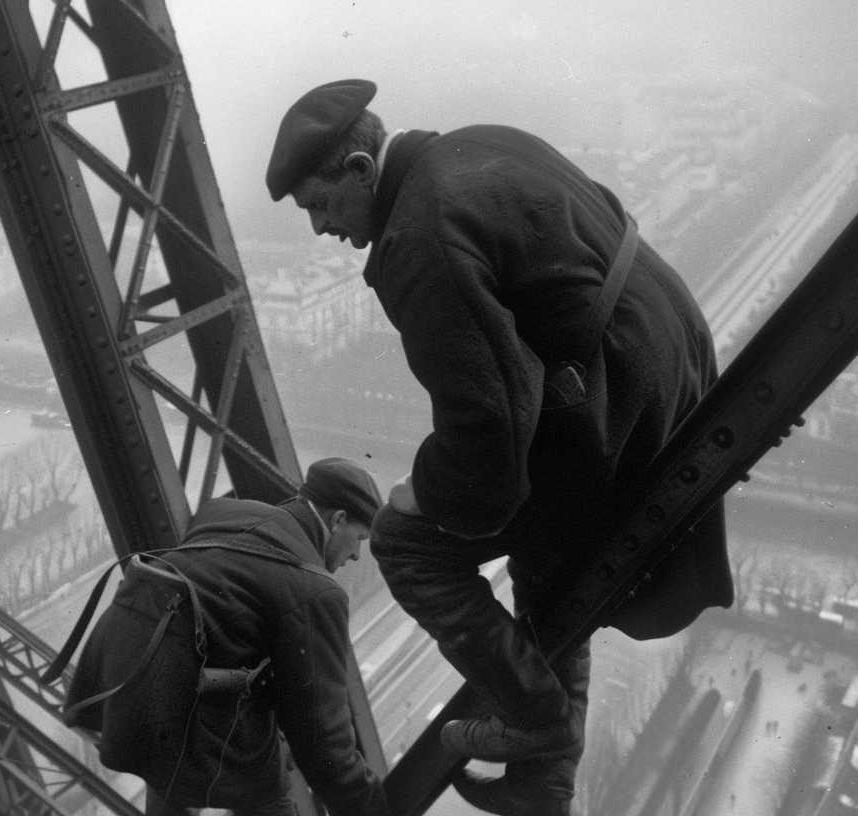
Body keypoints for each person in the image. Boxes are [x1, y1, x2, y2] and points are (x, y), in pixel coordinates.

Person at [266, 80, 733, 815]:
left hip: (615, 400)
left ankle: (537, 721)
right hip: (672, 369)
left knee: (407, 546)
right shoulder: (478, 145)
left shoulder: (417, 236)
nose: (322, 229)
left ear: (360, 169)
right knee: (545, 546)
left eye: (320, 206)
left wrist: (426, 496)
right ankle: (541, 788)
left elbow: (489, 421)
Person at [59, 458, 389, 816]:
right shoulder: (315, 591)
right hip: (182, 712)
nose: (356, 554)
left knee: (175, 771)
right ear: (337, 519)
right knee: (268, 792)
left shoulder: (224, 514)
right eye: (358, 539)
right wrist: (370, 807)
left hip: (132, 689)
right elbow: (323, 739)